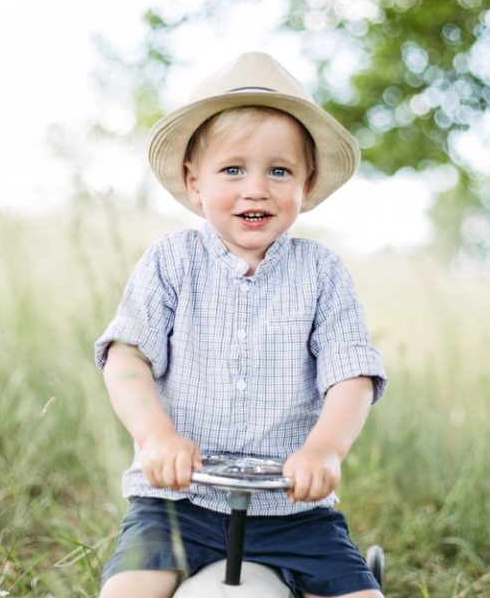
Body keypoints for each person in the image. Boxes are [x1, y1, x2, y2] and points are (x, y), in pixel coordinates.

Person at [95, 52, 387, 598]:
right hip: (178, 502)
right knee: (128, 591)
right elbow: (126, 355)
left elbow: (352, 375)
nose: (257, 188)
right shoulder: (172, 261)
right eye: (233, 169)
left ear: (307, 182)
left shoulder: (321, 273)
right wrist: (156, 438)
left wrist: (324, 449)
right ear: (194, 183)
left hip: (292, 510)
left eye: (279, 170)